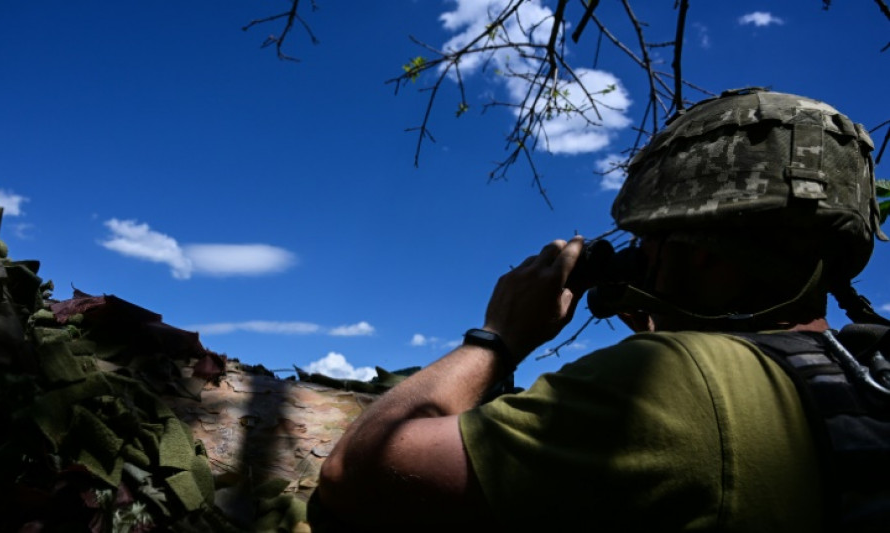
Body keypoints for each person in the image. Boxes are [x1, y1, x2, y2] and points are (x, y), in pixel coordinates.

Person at [313, 88, 889, 531]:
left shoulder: (673, 382)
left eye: (650, 243)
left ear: (703, 252)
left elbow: (353, 479)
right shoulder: (864, 372)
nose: (638, 259)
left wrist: (497, 337)